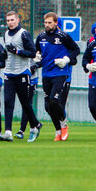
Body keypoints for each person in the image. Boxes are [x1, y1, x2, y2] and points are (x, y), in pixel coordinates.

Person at [32, 13, 80, 142]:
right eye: (45, 22)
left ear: (55, 23)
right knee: (48, 106)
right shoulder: (41, 37)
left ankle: (64, 123)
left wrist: (66, 59)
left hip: (60, 73)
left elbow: (76, 50)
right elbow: (38, 54)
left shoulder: (63, 36)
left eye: (50, 22)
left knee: (54, 100)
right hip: (46, 74)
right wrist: (36, 60)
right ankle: (58, 130)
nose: (47, 25)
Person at [0, 11, 43, 142]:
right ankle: (7, 131)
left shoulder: (23, 34)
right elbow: (8, 53)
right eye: (8, 20)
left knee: (25, 103)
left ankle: (35, 125)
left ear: (18, 20)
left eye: (12, 20)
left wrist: (18, 51)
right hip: (9, 73)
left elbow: (32, 53)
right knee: (8, 102)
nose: (10, 23)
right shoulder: (6, 34)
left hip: (22, 73)